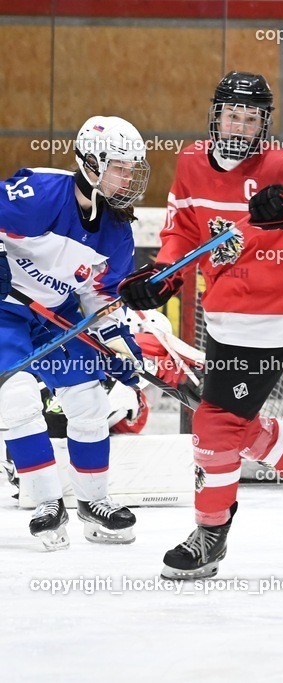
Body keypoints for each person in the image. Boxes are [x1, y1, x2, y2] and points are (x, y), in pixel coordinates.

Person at [117, 71, 283, 579]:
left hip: (273, 320)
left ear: (263, 125)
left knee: (214, 424)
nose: (240, 125)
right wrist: (164, 278)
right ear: (216, 115)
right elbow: (182, 231)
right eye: (233, 114)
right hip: (223, 319)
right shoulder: (189, 161)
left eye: (251, 118)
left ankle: (211, 535)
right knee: (230, 420)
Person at [0, 115, 149, 549]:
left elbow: (101, 300)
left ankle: (94, 502)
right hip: (7, 309)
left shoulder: (117, 231)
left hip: (55, 317)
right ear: (91, 161)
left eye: (132, 168)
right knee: (16, 396)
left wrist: (121, 346)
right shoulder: (41, 193)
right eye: (120, 167)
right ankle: (47, 502)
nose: (128, 178)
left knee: (87, 399)